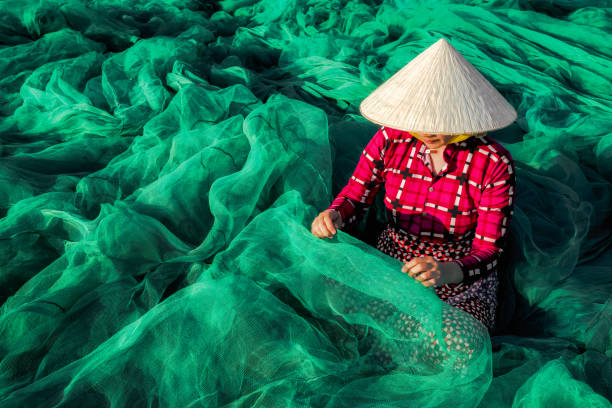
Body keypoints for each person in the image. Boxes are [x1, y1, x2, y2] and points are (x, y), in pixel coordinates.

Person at [311, 38, 517, 370]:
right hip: (392, 258)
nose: (429, 130)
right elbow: (355, 196)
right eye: (421, 119)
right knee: (324, 294)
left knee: (462, 347)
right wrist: (335, 215)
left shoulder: (492, 163)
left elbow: (489, 251)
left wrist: (448, 271)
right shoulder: (390, 139)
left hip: (460, 271)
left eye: (441, 119)